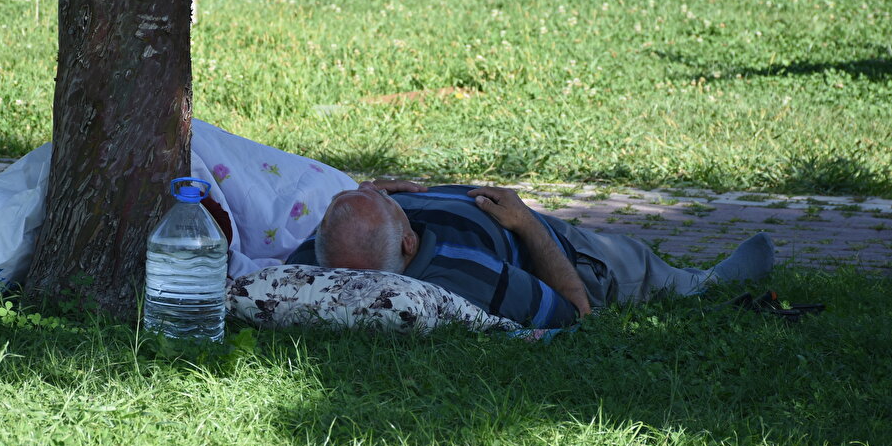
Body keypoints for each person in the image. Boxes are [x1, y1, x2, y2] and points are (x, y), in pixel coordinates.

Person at [285, 182, 776, 329]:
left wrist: (372, 198)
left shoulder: (316, 263)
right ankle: (706, 282)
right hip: (566, 253)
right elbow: (575, 312)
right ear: (409, 245)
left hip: (484, 218)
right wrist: (528, 225)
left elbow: (348, 242)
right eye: (392, 205)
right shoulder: (468, 279)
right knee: (640, 266)